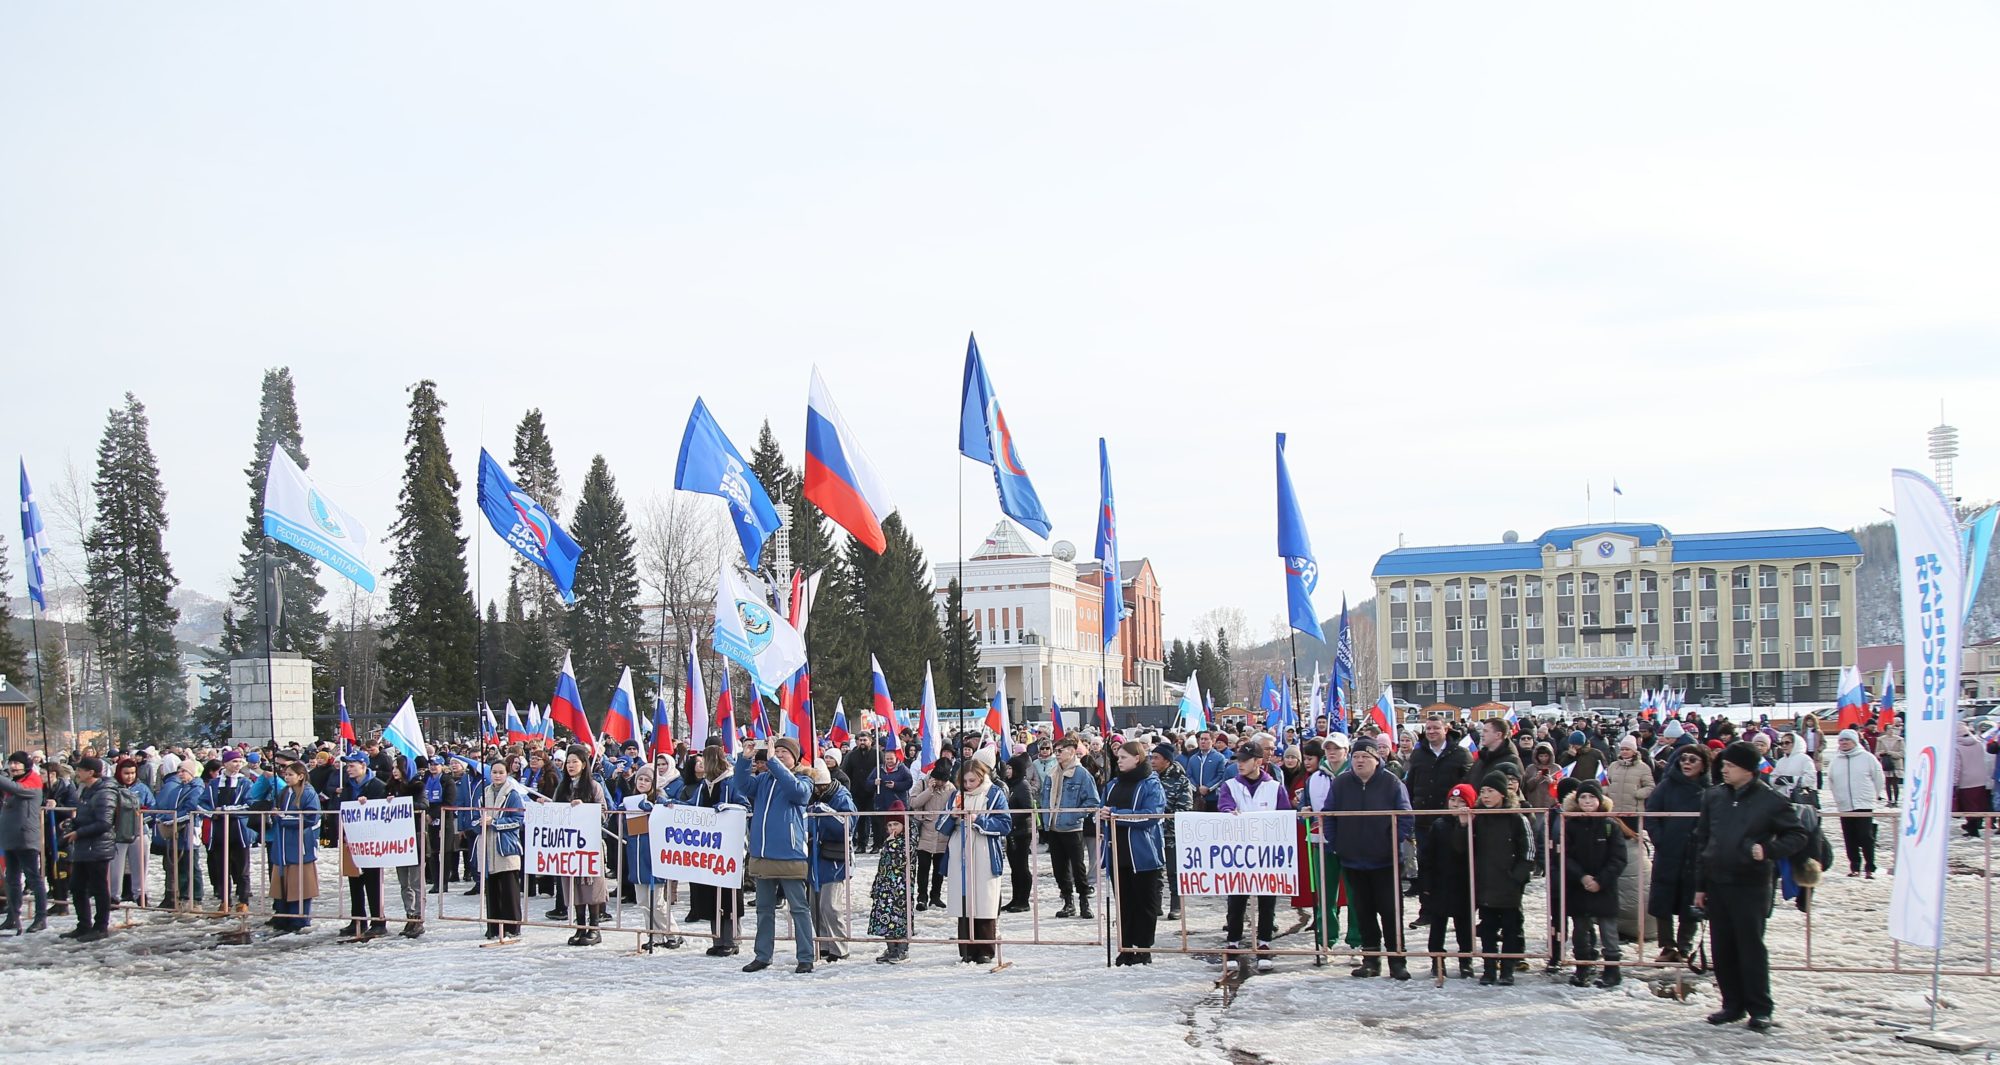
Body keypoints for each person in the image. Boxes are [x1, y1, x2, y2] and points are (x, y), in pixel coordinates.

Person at [1695, 741, 1809, 1030]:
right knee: (1722, 948)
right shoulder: (1714, 797)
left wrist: (1768, 850)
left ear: (1748, 769)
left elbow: (1797, 835)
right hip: (1718, 881)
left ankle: (1760, 1007)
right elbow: (1703, 840)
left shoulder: (1770, 801)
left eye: (1730, 766)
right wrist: (1700, 885)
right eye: (1723, 765)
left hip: (1750, 883)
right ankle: (1731, 1004)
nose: (1724, 770)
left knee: (1750, 947)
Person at [1326, 736, 1415, 980]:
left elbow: (1406, 817)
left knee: (1390, 912)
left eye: (1365, 756)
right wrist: (1337, 845)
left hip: (1385, 860)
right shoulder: (1341, 783)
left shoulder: (1392, 783)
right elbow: (1328, 815)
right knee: (1363, 912)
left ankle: (1398, 961)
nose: (1360, 761)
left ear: (1377, 759)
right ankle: (1371, 960)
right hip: (1353, 859)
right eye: (1356, 757)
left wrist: (1390, 843)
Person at [733, 738, 816, 974]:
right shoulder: (763, 780)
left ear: (795, 758)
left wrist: (774, 764)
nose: (778, 755)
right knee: (764, 908)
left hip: (790, 854)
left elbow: (798, 794)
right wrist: (745, 758)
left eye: (783, 752)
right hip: (763, 853)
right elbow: (741, 784)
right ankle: (762, 955)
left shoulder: (803, 779)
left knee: (799, 908)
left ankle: (805, 956)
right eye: (775, 751)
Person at [1217, 743, 1289, 971]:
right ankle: (1233, 942)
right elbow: (1224, 806)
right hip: (1239, 853)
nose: (1240, 763)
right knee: (1236, 900)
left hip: (1267, 854)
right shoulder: (1230, 785)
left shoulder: (1275, 787)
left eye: (1245, 759)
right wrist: (1229, 813)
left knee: (1267, 900)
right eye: (1238, 759)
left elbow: (1285, 815)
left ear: (1259, 761)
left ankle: (1265, 943)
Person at [939, 748, 1011, 965]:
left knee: (984, 900)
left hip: (984, 851)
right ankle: (967, 949)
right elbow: (940, 826)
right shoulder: (955, 796)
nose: (968, 785)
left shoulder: (994, 794)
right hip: (960, 851)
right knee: (964, 901)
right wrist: (952, 816)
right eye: (965, 781)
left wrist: (979, 820)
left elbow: (1005, 824)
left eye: (973, 781)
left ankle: (986, 949)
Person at [1101, 739, 1166, 966]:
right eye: (1118, 758)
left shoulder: (1151, 783)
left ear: (1137, 758)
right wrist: (1101, 816)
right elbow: (1103, 812)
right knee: (1124, 904)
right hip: (1117, 852)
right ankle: (1126, 947)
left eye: (1123, 758)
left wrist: (1117, 814)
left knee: (1144, 904)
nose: (1118, 761)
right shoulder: (1112, 785)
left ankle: (1144, 948)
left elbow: (1150, 816)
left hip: (1143, 853)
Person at [1405, 717, 1471, 929]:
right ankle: (1427, 911)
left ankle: (1462, 911)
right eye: (1428, 728)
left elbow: (1469, 786)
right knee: (1427, 865)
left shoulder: (1460, 754)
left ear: (1446, 729)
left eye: (1436, 728)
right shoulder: (1418, 754)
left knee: (1456, 865)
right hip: (1424, 821)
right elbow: (1410, 784)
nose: (1432, 732)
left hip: (1452, 821)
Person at [1645, 744, 1709, 962]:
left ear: (1703, 765)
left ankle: (1684, 946)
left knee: (1690, 900)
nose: (1687, 764)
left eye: (1693, 760)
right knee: (1663, 898)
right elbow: (1651, 814)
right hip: (1669, 850)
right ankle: (1667, 945)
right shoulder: (1666, 786)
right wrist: (1660, 839)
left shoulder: (1708, 790)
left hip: (1696, 854)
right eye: (1684, 759)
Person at [1563, 779, 1628, 988]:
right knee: (1580, 928)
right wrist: (1582, 877)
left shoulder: (1610, 824)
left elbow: (1618, 858)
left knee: (1608, 929)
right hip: (1578, 885)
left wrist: (1601, 880)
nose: (1588, 801)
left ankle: (1612, 969)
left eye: (1592, 797)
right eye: (1583, 797)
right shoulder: (1570, 824)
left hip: (1605, 886)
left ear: (1600, 800)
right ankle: (1583, 965)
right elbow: (1564, 855)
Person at [1468, 772, 1532, 985]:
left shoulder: (1516, 818)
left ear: (1503, 794)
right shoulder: (1477, 818)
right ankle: (1488, 969)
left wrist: (1517, 878)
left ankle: (1507, 969)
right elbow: (1464, 847)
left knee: (1511, 928)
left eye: (1491, 791)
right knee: (1487, 929)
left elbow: (1528, 851)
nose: (1485, 796)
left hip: (1509, 885)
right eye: (1483, 791)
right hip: (1485, 883)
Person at [681, 746, 743, 957]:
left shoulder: (730, 782)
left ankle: (731, 939)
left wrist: (729, 808)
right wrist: (670, 805)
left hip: (728, 847)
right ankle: (717, 939)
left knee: (728, 896)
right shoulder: (702, 786)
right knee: (710, 895)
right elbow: (691, 806)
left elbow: (744, 805)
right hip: (708, 849)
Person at [550, 746, 610, 944]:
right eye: (568, 762)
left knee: (590, 886)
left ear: (584, 764)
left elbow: (604, 814)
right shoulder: (562, 787)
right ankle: (580, 926)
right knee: (572, 885)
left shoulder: (594, 787)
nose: (570, 766)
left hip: (589, 845)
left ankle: (594, 927)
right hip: (568, 845)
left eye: (575, 761)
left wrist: (585, 809)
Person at [1040, 736, 1101, 919]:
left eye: (1060, 750)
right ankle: (1067, 901)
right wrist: (1045, 819)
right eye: (1055, 750)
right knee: (1059, 868)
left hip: (1072, 828)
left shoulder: (1082, 774)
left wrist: (1073, 815)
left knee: (1078, 866)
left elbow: (1093, 801)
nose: (1056, 754)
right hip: (1053, 826)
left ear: (1072, 751)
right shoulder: (1052, 772)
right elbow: (1045, 798)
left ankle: (1084, 900)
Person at [621, 764, 681, 951]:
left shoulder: (661, 800)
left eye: (647, 780)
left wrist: (656, 809)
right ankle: (653, 934)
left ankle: (673, 933)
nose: (643, 782)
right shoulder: (630, 801)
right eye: (640, 779)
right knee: (643, 901)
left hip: (654, 857)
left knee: (657, 901)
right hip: (636, 856)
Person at [58, 757, 117, 942]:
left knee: (99, 888)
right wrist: (71, 824)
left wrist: (79, 833)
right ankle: (83, 925)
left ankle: (101, 926)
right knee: (77, 886)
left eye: (81, 770)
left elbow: (104, 823)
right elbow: (83, 816)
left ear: (91, 772)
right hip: (84, 846)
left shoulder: (105, 793)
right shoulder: (86, 791)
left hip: (98, 847)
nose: (77, 773)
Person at [806, 760, 856, 963]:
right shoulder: (811, 797)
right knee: (814, 905)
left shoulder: (841, 796)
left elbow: (849, 825)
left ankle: (839, 945)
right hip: (815, 856)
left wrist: (826, 813)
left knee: (830, 905)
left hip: (834, 857)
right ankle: (824, 943)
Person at [337, 752, 390, 941]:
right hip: (351, 839)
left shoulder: (377, 786)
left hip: (371, 841)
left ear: (363, 765)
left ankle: (378, 921)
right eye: (347, 766)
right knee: (354, 880)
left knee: (373, 881)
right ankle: (358, 919)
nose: (348, 769)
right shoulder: (348, 786)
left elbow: (384, 811)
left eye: (352, 765)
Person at [1428, 783, 1478, 980]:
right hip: (1441, 882)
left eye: (1461, 801)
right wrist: (1426, 884)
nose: (1455, 805)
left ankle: (1466, 960)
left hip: (1464, 883)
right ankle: (1437, 959)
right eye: (1453, 800)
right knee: (1437, 924)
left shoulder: (1475, 825)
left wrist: (1465, 825)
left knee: (1464, 925)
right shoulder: (1439, 825)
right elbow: (1428, 856)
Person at [266, 760, 321, 935]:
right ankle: (283, 915)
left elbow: (311, 817)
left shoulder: (308, 793)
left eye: (290, 774)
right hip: (282, 845)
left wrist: (284, 818)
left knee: (299, 883)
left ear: (301, 776)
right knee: (282, 881)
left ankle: (300, 918)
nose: (286, 777)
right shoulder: (284, 792)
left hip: (299, 844)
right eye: (286, 774)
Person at [478, 757, 526, 941]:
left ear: (507, 774)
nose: (497, 776)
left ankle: (512, 926)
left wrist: (495, 822)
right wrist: (481, 822)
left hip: (506, 847)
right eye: (494, 772)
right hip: (488, 846)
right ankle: (493, 926)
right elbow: (476, 817)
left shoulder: (512, 795)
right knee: (492, 889)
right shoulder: (484, 793)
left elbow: (518, 820)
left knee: (509, 889)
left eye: (501, 772)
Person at [1, 752, 50, 933]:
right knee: (12, 880)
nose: (13, 766)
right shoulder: (13, 783)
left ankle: (41, 917)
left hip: (26, 839)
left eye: (17, 763)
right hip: (10, 839)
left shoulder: (32, 782)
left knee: (34, 879)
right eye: (11, 762)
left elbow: (16, 789)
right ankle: (13, 917)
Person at [1826, 729, 1884, 879]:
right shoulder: (1836, 760)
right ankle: (1855, 867)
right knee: (1849, 837)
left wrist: (1873, 796)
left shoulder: (1867, 758)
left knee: (1865, 836)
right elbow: (1831, 780)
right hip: (1844, 804)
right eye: (1841, 740)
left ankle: (1870, 867)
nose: (1844, 743)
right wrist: (1838, 797)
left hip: (1864, 803)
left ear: (1855, 741)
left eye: (1847, 740)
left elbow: (1878, 777)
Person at [206, 750, 257, 913]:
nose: (237, 765)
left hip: (239, 829)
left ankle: (243, 900)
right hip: (219, 829)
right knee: (221, 866)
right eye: (234, 761)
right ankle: (224, 900)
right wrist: (212, 813)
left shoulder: (245, 783)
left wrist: (227, 810)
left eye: (239, 761)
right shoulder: (215, 783)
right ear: (225, 763)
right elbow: (202, 802)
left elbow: (249, 804)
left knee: (242, 866)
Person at [1152, 741, 1194, 920]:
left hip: (1172, 834)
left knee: (1174, 872)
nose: (1152, 761)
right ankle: (1156, 904)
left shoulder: (1181, 781)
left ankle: (1177, 905)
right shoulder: (1150, 778)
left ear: (1167, 761)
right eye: (1151, 757)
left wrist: (1164, 814)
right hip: (1153, 833)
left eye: (1156, 758)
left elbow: (1185, 808)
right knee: (1155, 871)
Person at [868, 799, 912, 963]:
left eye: (896, 824)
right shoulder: (888, 842)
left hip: (900, 888)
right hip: (885, 887)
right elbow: (883, 865)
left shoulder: (905, 841)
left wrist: (893, 845)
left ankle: (902, 949)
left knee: (899, 918)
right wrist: (876, 885)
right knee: (886, 918)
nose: (893, 828)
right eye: (890, 825)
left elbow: (902, 861)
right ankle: (891, 948)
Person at [106, 757, 153, 905]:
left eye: (133, 773)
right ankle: (114, 896)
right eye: (126, 773)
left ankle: (140, 895)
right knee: (115, 867)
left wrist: (143, 816)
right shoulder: (112, 788)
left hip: (139, 832)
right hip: (118, 834)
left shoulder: (142, 788)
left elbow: (153, 807)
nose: (130, 776)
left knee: (140, 865)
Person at [910, 761, 954, 911]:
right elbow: (914, 802)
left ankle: (936, 896)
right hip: (925, 831)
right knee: (923, 867)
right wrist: (929, 791)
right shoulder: (922, 783)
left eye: (944, 780)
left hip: (943, 834)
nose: (941, 783)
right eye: (939, 780)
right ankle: (922, 897)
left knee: (938, 868)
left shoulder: (951, 788)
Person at [1001, 752, 1035, 913]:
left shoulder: (1022, 785)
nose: (1007, 771)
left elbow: (1028, 808)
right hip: (1012, 832)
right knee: (1015, 868)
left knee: (1022, 867)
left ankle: (1024, 900)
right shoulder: (1011, 784)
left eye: (1010, 768)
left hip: (1022, 832)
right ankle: (1015, 898)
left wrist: (1010, 817)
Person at [1952, 724, 1991, 837]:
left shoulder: (1956, 747)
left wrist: (1954, 783)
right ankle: (1974, 826)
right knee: (1978, 804)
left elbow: (1956, 767)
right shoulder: (1978, 743)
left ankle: (1973, 829)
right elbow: (1986, 759)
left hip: (1966, 780)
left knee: (1968, 806)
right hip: (1981, 778)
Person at [1877, 722, 1903, 806]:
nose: (1891, 730)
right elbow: (1876, 752)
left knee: (1895, 783)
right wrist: (1882, 753)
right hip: (1886, 763)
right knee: (1887, 782)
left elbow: (1903, 753)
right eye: (1889, 728)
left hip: (1896, 764)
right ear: (1885, 730)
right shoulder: (1881, 739)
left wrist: (1891, 753)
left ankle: (1896, 800)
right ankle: (1889, 800)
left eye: (1892, 728)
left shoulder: (1899, 739)